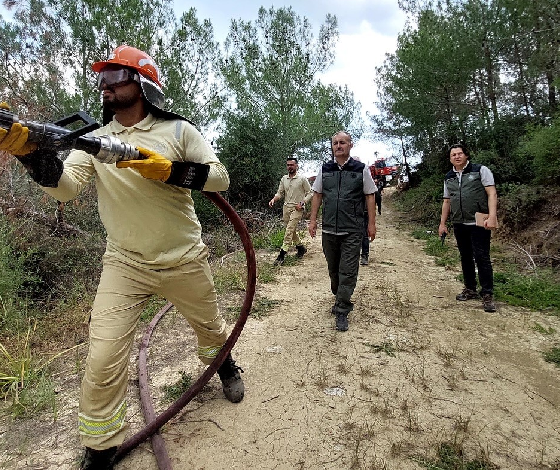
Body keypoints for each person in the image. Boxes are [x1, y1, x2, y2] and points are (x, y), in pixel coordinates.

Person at [0, 45, 244, 470]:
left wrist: (169, 170)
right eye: (102, 81)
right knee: (102, 354)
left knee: (210, 328)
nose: (105, 87)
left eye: (115, 78)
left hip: (183, 258)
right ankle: (101, 446)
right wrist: (30, 156)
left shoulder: (178, 130)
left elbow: (219, 176)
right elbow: (68, 187)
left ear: (143, 83)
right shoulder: (93, 141)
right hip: (124, 263)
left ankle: (223, 366)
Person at [308, 131, 377, 331]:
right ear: (332, 147)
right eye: (335, 143)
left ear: (350, 145)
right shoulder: (325, 169)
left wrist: (371, 224)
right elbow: (317, 194)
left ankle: (342, 309)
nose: (339, 146)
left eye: (343, 143)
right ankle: (339, 295)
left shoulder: (361, 169)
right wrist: (313, 221)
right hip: (329, 229)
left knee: (348, 270)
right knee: (333, 268)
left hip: (352, 229)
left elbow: (370, 196)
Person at [438, 143, 498, 313]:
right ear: (450, 158)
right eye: (453, 155)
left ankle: (487, 294)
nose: (457, 156)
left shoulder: (480, 170)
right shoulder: (449, 176)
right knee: (465, 256)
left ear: (466, 155)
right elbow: (447, 201)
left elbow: (491, 193)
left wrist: (492, 216)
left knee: (482, 257)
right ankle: (470, 288)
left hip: (479, 221)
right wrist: (443, 224)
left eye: (460, 153)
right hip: (459, 223)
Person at [269, 157, 313, 265]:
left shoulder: (302, 179)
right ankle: (300, 247)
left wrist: (302, 203)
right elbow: (280, 193)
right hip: (286, 208)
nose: (290, 167)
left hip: (297, 208)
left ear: (296, 166)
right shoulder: (284, 179)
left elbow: (310, 193)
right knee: (291, 230)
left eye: (292, 165)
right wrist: (273, 199)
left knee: (289, 230)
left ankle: (282, 255)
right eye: (288, 165)